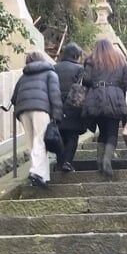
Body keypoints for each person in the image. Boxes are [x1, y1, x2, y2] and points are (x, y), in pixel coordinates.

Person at [82, 38, 127, 180]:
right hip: (115, 99)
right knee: (112, 131)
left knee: (103, 131)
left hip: (97, 98)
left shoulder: (92, 59)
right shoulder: (119, 59)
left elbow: (86, 80)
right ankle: (107, 159)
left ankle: (100, 161)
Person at [11, 50, 62, 188]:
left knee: (31, 142)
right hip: (41, 109)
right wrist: (57, 116)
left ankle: (42, 176)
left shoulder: (23, 77)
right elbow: (55, 95)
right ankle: (36, 172)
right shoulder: (50, 73)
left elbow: (13, 98)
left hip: (23, 111)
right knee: (40, 140)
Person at [53, 42, 84, 172]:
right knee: (72, 135)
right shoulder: (79, 69)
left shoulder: (54, 67)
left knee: (59, 134)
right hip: (73, 105)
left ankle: (60, 162)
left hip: (56, 104)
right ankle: (67, 162)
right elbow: (82, 87)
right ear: (76, 55)